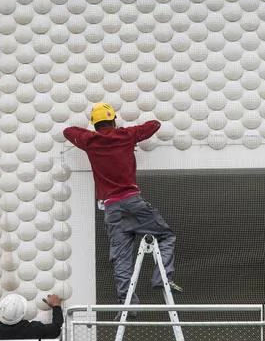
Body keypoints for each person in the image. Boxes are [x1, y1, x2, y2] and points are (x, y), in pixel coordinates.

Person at [63, 102, 180, 302]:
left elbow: (67, 131)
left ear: (95, 124)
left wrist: (93, 137)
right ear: (113, 119)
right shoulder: (125, 136)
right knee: (166, 236)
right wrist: (127, 135)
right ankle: (162, 278)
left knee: (121, 258)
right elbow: (154, 125)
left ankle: (128, 304)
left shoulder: (90, 141)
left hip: (111, 210)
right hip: (132, 202)